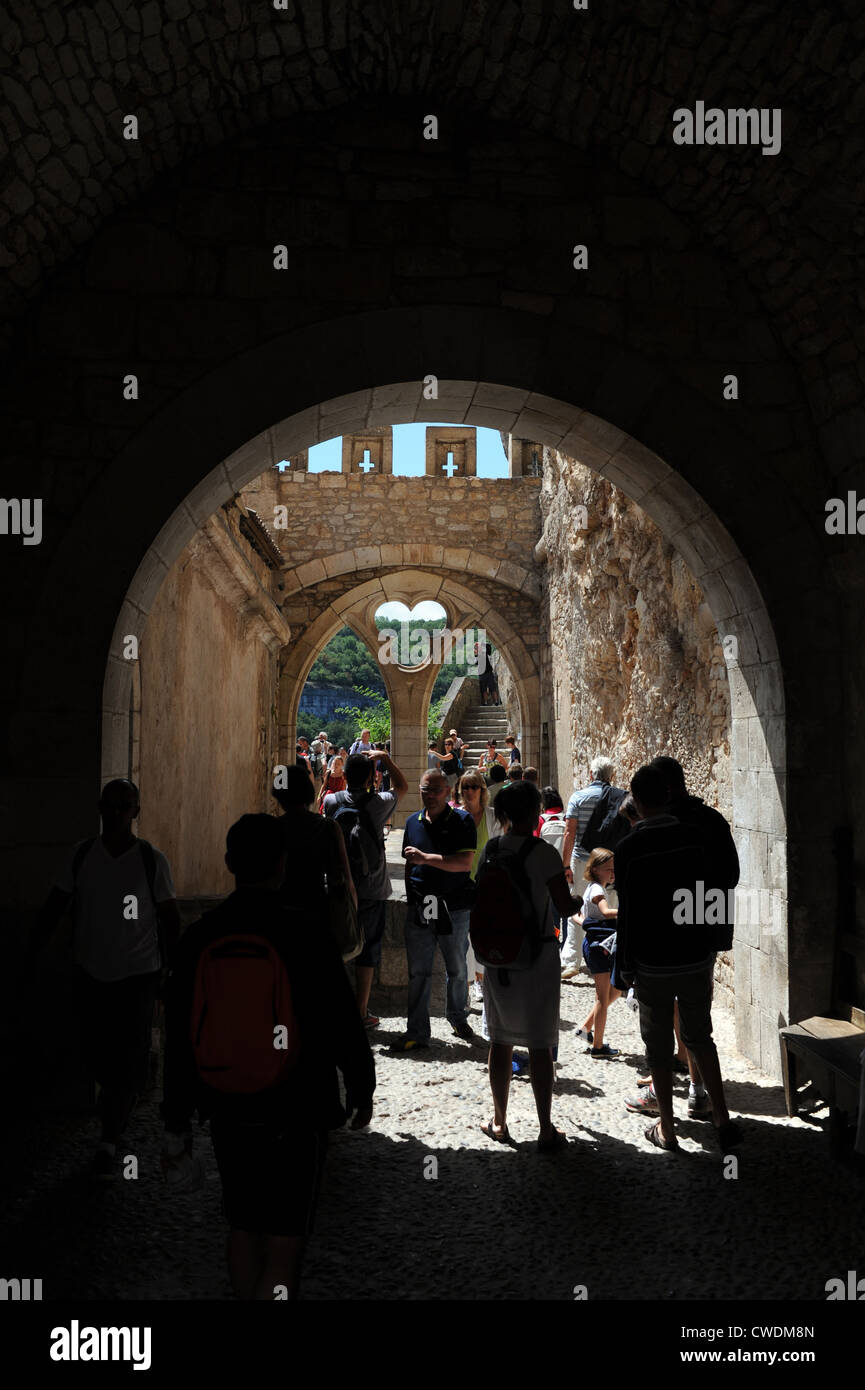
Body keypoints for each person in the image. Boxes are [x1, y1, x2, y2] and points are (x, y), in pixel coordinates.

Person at [161, 813, 375, 1300]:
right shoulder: (307, 933)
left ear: (229, 863)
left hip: (227, 1101)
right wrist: (361, 1084)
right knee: (285, 1237)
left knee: (242, 1221)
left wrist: (176, 1118)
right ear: (283, 863)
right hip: (297, 1104)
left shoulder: (200, 936)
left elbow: (179, 1032)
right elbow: (342, 1019)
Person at [27, 779, 181, 1181]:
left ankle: (110, 1138)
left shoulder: (151, 860)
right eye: (109, 805)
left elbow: (169, 920)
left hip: (137, 977)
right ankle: (116, 1110)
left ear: (135, 811)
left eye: (123, 805)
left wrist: (172, 971)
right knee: (94, 1054)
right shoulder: (81, 856)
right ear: (100, 808)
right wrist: (32, 952)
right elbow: (55, 907)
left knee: (124, 1061)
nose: (115, 812)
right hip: (91, 973)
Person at [614, 763, 742, 1152]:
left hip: (653, 960)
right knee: (701, 1035)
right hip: (694, 953)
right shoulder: (696, 836)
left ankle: (667, 1129)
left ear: (637, 801)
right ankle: (721, 1118)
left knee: (656, 1046)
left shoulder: (629, 848)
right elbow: (717, 886)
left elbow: (630, 912)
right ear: (669, 794)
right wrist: (707, 938)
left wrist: (626, 965)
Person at [475, 780, 584, 1150]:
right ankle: (545, 1129)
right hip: (537, 956)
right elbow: (565, 907)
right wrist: (578, 896)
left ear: (502, 815)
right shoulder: (544, 854)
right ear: (535, 813)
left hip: (499, 958)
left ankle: (500, 1122)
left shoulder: (490, 850)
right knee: (540, 1044)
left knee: (500, 1041)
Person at [324, 749, 407, 1027]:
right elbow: (403, 787)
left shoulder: (331, 800)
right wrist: (386, 758)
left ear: (344, 776)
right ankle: (360, 1012)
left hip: (337, 885)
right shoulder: (378, 802)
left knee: (335, 945)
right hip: (372, 885)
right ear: (372, 777)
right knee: (368, 949)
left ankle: (332, 1008)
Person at [397, 769, 477, 1051]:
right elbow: (409, 864)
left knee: (456, 967)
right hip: (421, 906)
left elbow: (464, 863)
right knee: (418, 971)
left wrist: (425, 859)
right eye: (424, 790)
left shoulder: (463, 821)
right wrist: (410, 899)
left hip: (453, 906)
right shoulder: (412, 822)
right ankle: (417, 1030)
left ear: (447, 791)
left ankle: (457, 1017)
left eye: (435, 790)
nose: (429, 795)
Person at [273, 766, 357, 953]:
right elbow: (345, 879)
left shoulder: (274, 829)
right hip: (317, 912)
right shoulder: (327, 827)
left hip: (281, 915)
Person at [459, 769, 499, 1004]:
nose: (469, 791)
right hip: (461, 885)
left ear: (482, 790)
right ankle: (464, 985)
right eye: (465, 786)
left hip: (485, 886)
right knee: (462, 938)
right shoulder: (455, 816)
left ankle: (480, 980)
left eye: (474, 786)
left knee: (481, 935)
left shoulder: (492, 817)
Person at [579, 848, 621, 1059]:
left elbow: (581, 917)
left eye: (614, 869)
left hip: (596, 945)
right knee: (602, 998)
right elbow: (605, 912)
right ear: (595, 869)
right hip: (600, 947)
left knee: (616, 990)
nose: (612, 873)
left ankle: (586, 1027)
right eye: (608, 869)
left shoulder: (593, 888)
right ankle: (597, 1046)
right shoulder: (597, 890)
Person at [561, 756, 623, 887]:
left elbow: (569, 834)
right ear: (611, 775)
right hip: (609, 864)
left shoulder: (578, 798)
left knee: (581, 904)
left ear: (590, 774)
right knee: (609, 905)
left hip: (582, 862)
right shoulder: (619, 798)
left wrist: (566, 866)